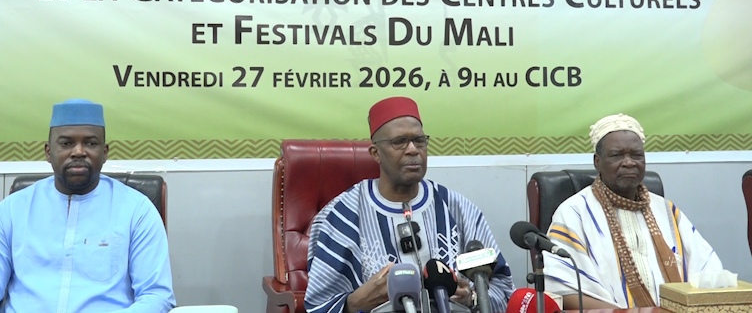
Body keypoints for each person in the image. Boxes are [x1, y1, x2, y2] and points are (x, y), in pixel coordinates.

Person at [0, 99, 176, 313]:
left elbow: (156, 296)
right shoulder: (12, 211)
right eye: (66, 143)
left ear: (105, 153)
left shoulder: (137, 211)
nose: (78, 151)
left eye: (90, 143)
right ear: (48, 152)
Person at [304, 97, 514, 313]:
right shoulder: (341, 216)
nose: (413, 150)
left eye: (419, 140)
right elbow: (318, 306)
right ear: (375, 153)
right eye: (400, 141)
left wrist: (473, 298)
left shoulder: (458, 208)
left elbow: (504, 291)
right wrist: (354, 304)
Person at [543, 113, 723, 309]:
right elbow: (565, 292)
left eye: (636, 155)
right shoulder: (574, 213)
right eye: (617, 155)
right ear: (597, 162)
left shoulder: (666, 210)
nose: (629, 162)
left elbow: (710, 272)